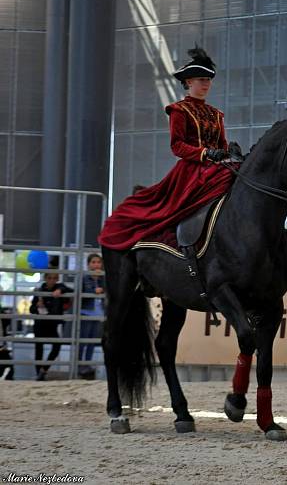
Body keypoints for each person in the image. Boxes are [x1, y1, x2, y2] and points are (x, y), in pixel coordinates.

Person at [98, 46, 236, 250]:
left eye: (208, 80)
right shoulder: (179, 110)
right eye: (201, 79)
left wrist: (228, 152)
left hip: (218, 167)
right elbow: (178, 146)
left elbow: (222, 143)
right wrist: (205, 153)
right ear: (189, 82)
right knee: (171, 209)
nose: (206, 84)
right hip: (192, 171)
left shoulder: (217, 114)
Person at [30, 273, 73, 381]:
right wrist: (37, 306)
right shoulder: (39, 291)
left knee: (57, 346)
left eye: (54, 278)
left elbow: (70, 290)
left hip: (52, 324)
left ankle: (44, 370)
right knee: (39, 349)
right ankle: (38, 374)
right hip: (40, 324)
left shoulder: (59, 287)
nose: (52, 280)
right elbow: (31, 309)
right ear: (45, 278)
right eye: (49, 278)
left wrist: (60, 290)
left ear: (57, 279)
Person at [78, 253, 105, 380]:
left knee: (92, 342)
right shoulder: (84, 277)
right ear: (88, 264)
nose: (96, 265)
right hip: (86, 312)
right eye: (93, 262)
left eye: (98, 262)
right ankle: (79, 364)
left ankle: (87, 364)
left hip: (98, 313)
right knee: (83, 340)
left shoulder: (103, 278)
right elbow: (82, 293)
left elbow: (107, 289)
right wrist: (94, 291)